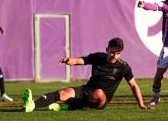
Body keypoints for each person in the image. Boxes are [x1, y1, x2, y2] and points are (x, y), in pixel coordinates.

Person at [21, 37, 149, 112]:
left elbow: (133, 85)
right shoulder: (98, 57)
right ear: (107, 49)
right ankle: (32, 105)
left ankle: (72, 104)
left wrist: (141, 104)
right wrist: (69, 61)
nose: (114, 55)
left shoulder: (124, 67)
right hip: (87, 90)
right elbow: (80, 60)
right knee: (64, 93)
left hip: (101, 99)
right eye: (112, 52)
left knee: (98, 93)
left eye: (117, 53)